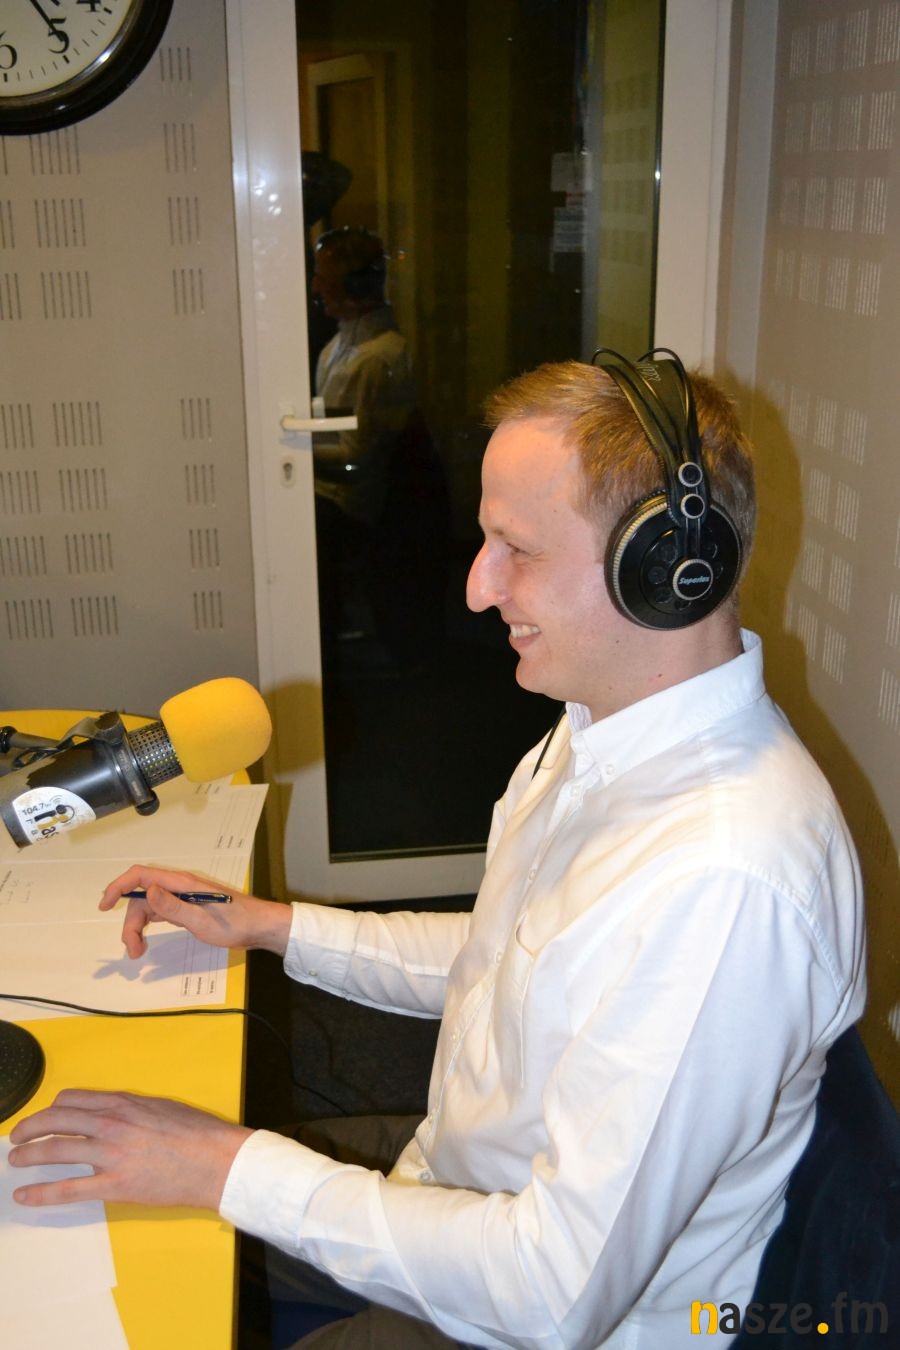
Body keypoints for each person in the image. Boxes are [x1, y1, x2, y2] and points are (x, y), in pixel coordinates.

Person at [9, 356, 866, 1349]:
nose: (476, 588)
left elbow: (551, 1295)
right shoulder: (603, 730)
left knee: (173, 1232)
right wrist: (272, 927)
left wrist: (225, 1167)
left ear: (669, 569)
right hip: (456, 1173)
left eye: (517, 549)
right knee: (121, 1195)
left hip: (537, 1309)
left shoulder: (723, 878)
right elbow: (506, 956)